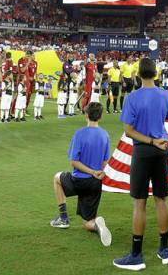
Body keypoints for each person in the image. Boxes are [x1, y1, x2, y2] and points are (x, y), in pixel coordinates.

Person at [113, 56, 168, 271]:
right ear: (156, 73)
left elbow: (128, 130)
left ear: (137, 75)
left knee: (140, 202)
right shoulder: (167, 95)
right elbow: (165, 119)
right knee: (161, 199)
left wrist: (148, 140)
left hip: (144, 150)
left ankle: (136, 255)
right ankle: (164, 249)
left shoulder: (132, 98)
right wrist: (156, 139)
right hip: (162, 149)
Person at [50, 101, 112, 247]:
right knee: (87, 223)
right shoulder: (105, 135)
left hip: (79, 181)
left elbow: (74, 162)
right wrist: (99, 173)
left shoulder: (79, 134)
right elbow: (105, 163)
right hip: (95, 183)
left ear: (86, 115)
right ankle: (97, 225)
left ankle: (63, 218)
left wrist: (90, 171)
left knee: (57, 178)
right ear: (101, 116)